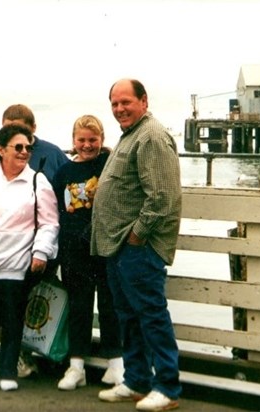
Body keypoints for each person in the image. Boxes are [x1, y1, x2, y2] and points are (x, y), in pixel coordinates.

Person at [0, 103, 68, 379]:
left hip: (33, 251)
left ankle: (16, 357)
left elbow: (70, 187)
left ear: (34, 130)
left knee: (20, 310)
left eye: (23, 135)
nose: (20, 146)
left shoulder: (53, 155)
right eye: (7, 130)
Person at [91, 79, 182, 411]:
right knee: (127, 315)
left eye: (125, 102)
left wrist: (137, 235)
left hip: (138, 247)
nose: (119, 109)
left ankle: (168, 387)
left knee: (151, 315)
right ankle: (137, 380)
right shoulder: (131, 136)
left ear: (144, 101)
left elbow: (162, 197)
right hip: (119, 247)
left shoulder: (152, 136)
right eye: (114, 104)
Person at [52, 115, 123, 391]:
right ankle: (76, 366)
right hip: (73, 250)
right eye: (81, 140)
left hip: (104, 247)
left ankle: (115, 365)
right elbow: (56, 212)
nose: (87, 145)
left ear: (102, 140)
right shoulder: (64, 173)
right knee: (79, 307)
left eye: (93, 140)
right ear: (73, 141)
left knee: (109, 305)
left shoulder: (107, 165)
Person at [0, 104, 69, 192]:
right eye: (7, 129)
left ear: (33, 128)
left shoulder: (53, 153)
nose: (12, 134)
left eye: (19, 129)